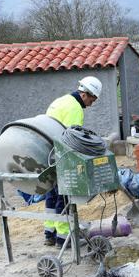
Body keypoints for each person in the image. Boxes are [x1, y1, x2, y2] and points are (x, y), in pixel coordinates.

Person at [43, 76, 102, 246]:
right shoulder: (75, 108)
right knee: (64, 196)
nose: (92, 103)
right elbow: (73, 139)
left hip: (48, 154)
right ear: (85, 94)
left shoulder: (61, 101)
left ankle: (49, 233)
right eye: (93, 99)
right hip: (62, 157)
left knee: (51, 195)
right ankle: (63, 238)